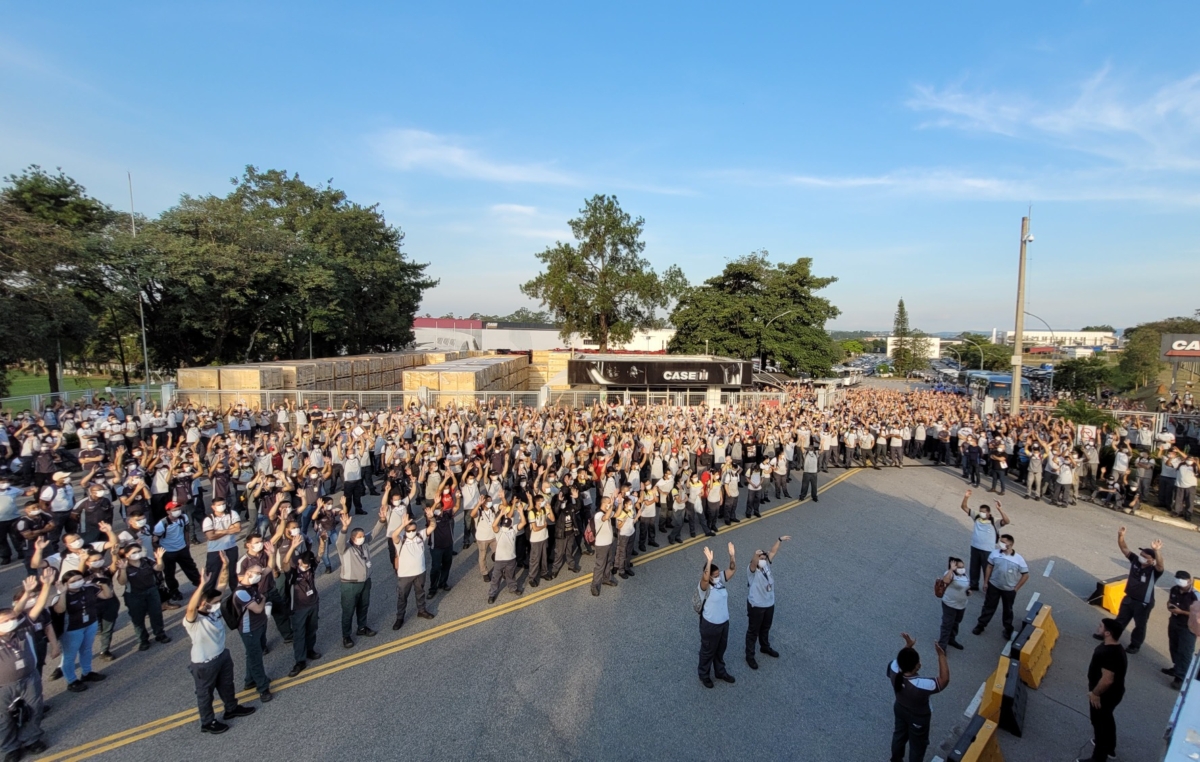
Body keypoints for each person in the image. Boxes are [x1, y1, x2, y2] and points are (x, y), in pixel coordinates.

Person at [182, 570, 255, 735]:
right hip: (204, 663)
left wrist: (225, 566)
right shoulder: (193, 620)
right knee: (205, 694)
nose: (218, 604)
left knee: (227, 684)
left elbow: (221, 586)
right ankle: (208, 722)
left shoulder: (212, 610)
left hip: (222, 655)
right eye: (214, 602)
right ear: (203, 603)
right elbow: (191, 608)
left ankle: (231, 708)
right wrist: (201, 585)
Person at [0, 570, 54, 759]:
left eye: (12, 620)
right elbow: (15, 611)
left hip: (30, 678)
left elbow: (35, 607)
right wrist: (24, 594)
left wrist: (46, 585)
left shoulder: (23, 628)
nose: (10, 623)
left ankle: (31, 739)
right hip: (3, 687)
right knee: (3, 719)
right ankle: (10, 747)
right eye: (4, 621)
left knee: (34, 709)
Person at [1100, 527, 1164, 655]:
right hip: (1129, 598)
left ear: (1151, 560)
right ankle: (1111, 638)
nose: (1141, 558)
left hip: (1143, 603)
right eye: (1141, 555)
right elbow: (1124, 548)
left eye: (1145, 557)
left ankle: (1135, 645)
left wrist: (1157, 551)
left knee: (1140, 625)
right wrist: (1121, 536)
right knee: (1120, 620)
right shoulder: (1135, 560)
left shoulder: (1154, 571)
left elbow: (1160, 565)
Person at [887, 632, 948, 762]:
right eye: (918, 662)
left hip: (899, 708)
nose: (920, 663)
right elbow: (944, 680)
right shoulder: (922, 685)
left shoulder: (893, 669)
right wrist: (941, 656)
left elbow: (900, 660)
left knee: (899, 736)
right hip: (918, 717)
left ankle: (896, 759)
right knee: (917, 746)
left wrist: (907, 646)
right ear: (916, 667)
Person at [54, 569, 113, 693]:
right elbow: (60, 610)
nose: (77, 582)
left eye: (79, 579)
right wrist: (63, 593)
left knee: (86, 649)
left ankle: (87, 672)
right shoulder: (61, 596)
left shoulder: (89, 588)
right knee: (70, 655)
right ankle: (71, 680)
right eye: (73, 581)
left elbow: (107, 596)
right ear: (66, 584)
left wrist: (103, 583)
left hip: (91, 623)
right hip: (72, 629)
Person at [335, 507, 385, 648]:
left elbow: (374, 533)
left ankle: (362, 627)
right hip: (350, 584)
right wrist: (344, 528)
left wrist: (381, 520)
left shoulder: (364, 543)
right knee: (348, 610)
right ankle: (346, 636)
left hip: (365, 581)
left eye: (362, 536)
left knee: (364, 606)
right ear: (352, 538)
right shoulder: (345, 548)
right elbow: (339, 542)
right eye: (359, 537)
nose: (362, 538)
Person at [1079, 619, 1127, 762]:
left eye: (1101, 626)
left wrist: (1095, 693)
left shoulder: (1109, 653)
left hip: (1103, 695)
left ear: (1108, 633)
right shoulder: (1116, 649)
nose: (1097, 627)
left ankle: (1098, 758)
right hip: (1114, 693)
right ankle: (1110, 748)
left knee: (1100, 725)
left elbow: (1107, 679)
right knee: (1107, 720)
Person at [114, 544, 172, 651]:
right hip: (134, 595)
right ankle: (143, 640)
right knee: (138, 619)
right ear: (127, 555)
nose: (137, 554)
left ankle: (160, 634)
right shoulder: (124, 565)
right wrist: (123, 570)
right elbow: (122, 582)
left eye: (138, 551)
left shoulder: (147, 561)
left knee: (156, 614)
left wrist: (159, 559)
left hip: (151, 591)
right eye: (133, 553)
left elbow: (159, 568)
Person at [971, 533, 1029, 640]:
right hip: (994, 586)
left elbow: (1025, 575)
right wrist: (985, 582)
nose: (1000, 543)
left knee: (1008, 610)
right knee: (988, 606)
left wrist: (1016, 588)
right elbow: (989, 567)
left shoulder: (1018, 559)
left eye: (1003, 542)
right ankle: (981, 625)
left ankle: (1008, 629)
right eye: (1000, 541)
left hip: (1009, 589)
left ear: (1010, 544)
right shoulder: (994, 554)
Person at [745, 536, 789, 669]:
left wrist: (779, 540)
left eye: (764, 558)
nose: (763, 560)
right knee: (753, 631)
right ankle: (750, 656)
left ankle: (765, 647)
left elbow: (773, 551)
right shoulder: (752, 570)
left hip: (769, 603)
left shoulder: (766, 565)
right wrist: (756, 555)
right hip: (757, 605)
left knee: (765, 628)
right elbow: (753, 562)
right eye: (761, 559)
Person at [697, 543, 737, 688]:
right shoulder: (704, 586)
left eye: (717, 574)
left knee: (720, 649)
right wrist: (709, 561)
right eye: (714, 575)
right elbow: (706, 578)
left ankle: (720, 671)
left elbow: (732, 569)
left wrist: (732, 555)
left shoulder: (719, 578)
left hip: (723, 623)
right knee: (708, 651)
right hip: (710, 625)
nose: (717, 576)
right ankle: (704, 675)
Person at [390, 508, 435, 629]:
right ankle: (400, 617)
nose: (412, 532)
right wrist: (402, 525)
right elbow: (394, 535)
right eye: (409, 530)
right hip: (405, 575)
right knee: (402, 596)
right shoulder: (401, 540)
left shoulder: (420, 536)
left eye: (414, 530)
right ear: (405, 531)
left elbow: (432, 526)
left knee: (420, 592)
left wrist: (431, 517)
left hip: (420, 572)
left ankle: (422, 610)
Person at [959, 490, 1010, 593]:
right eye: (981, 511)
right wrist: (966, 497)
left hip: (987, 550)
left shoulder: (994, 521)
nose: (982, 513)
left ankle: (989, 586)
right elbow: (964, 507)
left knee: (987, 569)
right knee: (974, 567)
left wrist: (999, 509)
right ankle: (973, 584)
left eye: (984, 512)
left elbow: (1007, 521)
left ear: (988, 513)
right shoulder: (976, 516)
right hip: (975, 546)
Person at [284, 550, 322, 678]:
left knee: (312, 629)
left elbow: (320, 553)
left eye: (309, 565)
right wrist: (293, 547)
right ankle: (300, 661)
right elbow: (285, 563)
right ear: (299, 561)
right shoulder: (293, 573)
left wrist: (322, 541)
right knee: (299, 634)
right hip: (298, 608)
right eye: (305, 565)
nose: (307, 567)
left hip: (313, 604)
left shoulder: (311, 567)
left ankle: (310, 650)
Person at [1164, 570, 1198, 689]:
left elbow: (1198, 615)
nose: (1179, 582)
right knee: (1174, 646)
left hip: (1188, 626)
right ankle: (1176, 668)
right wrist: (1169, 605)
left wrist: (1181, 612)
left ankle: (1180, 678)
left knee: (1185, 652)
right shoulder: (1174, 589)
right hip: (1174, 622)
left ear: (1189, 581)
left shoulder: (1195, 595)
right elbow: (1170, 601)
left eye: (1182, 580)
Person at [201, 498, 241, 591]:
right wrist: (228, 530)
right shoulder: (208, 519)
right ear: (213, 507)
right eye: (218, 505)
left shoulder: (232, 514)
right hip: (214, 551)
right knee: (212, 575)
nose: (222, 506)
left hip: (231, 548)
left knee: (232, 573)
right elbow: (210, 536)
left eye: (223, 504)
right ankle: (208, 598)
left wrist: (218, 531)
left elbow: (237, 529)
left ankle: (236, 596)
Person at [937, 557, 969, 651]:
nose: (962, 569)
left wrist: (969, 591)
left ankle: (951, 639)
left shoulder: (964, 575)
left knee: (956, 623)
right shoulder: (950, 574)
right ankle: (942, 646)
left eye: (963, 567)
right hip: (950, 604)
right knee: (947, 624)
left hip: (961, 605)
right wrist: (951, 569)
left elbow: (966, 585)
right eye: (959, 567)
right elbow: (945, 581)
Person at [589, 497, 617, 597]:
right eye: (608, 503)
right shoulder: (598, 515)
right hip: (601, 545)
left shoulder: (608, 512)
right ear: (604, 503)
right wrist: (612, 505)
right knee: (600, 565)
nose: (610, 505)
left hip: (609, 543)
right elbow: (605, 517)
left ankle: (606, 578)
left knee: (608, 562)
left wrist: (621, 502)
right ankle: (594, 585)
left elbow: (616, 514)